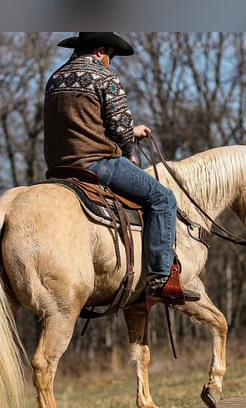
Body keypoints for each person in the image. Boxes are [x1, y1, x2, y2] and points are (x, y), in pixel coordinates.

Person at [44, 32, 199, 304]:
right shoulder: (105, 77)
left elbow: (79, 122)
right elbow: (119, 129)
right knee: (163, 198)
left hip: (59, 168)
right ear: (100, 50)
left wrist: (131, 130)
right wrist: (128, 152)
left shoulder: (55, 78)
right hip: (96, 164)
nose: (110, 63)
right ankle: (160, 278)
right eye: (110, 57)